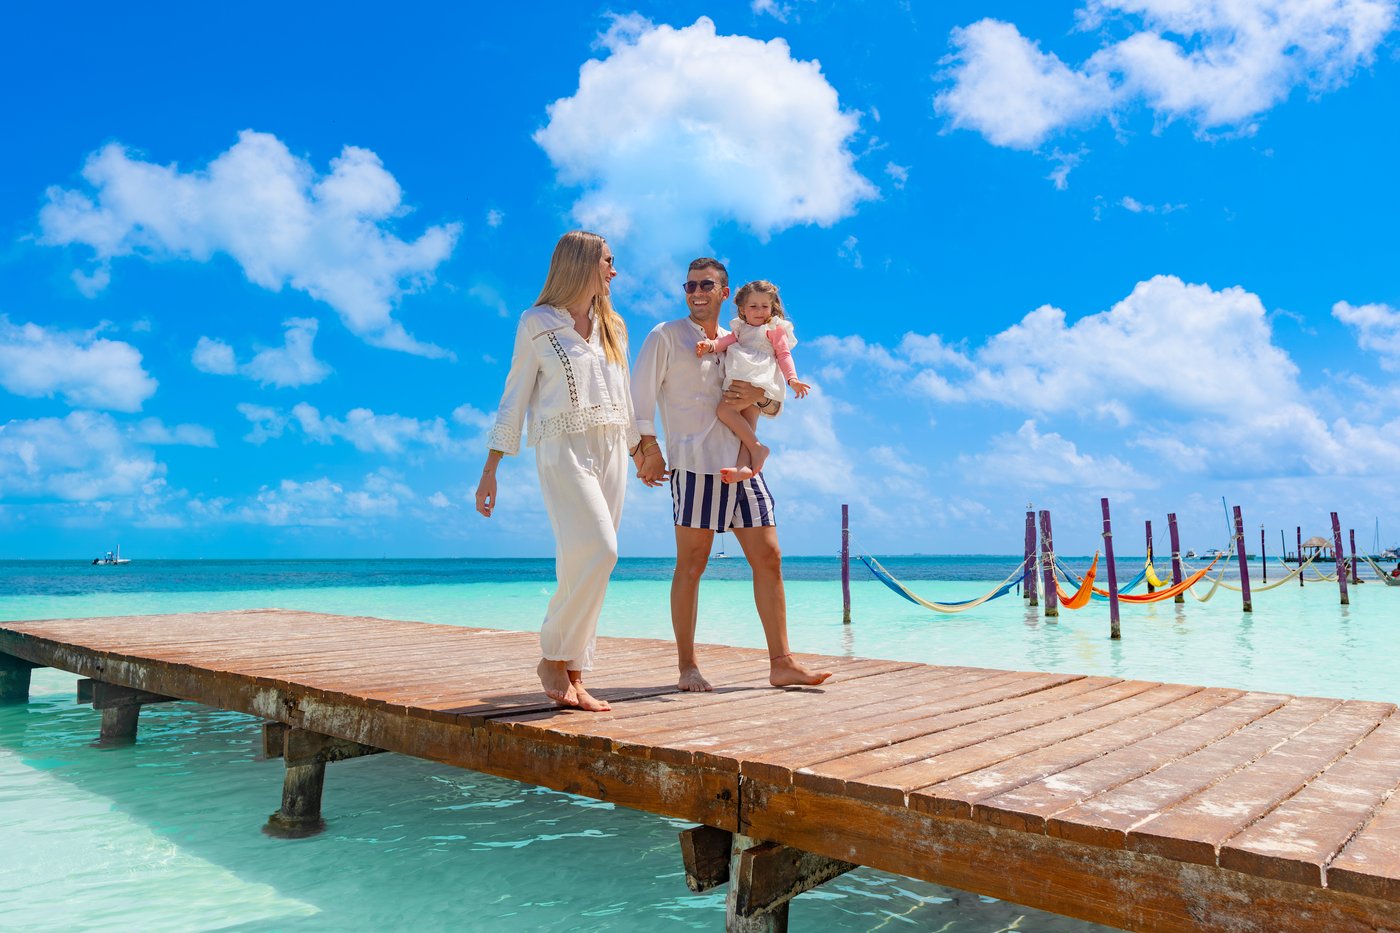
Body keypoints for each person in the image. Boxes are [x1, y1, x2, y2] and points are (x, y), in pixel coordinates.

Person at [631, 257, 831, 692]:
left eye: (706, 285)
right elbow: (638, 398)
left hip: (744, 466)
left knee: (770, 556)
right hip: (695, 466)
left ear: (725, 293)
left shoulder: (741, 337)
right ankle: (688, 667)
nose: (696, 292)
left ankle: (781, 663)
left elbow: (770, 401)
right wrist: (645, 449)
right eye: (689, 286)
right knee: (692, 564)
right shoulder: (665, 336)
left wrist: (763, 396)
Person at [476, 231, 648, 712]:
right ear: (583, 262)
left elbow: (625, 397)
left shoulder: (615, 325)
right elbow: (514, 397)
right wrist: (492, 468)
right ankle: (552, 654)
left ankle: (575, 672)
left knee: (585, 562)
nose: (615, 271)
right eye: (609, 261)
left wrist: (639, 451)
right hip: (562, 447)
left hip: (612, 446)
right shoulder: (536, 323)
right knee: (600, 549)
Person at [695, 279, 811, 483]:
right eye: (753, 306)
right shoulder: (740, 329)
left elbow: (784, 355)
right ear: (742, 309)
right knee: (747, 427)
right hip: (744, 377)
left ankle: (758, 448)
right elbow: (725, 342)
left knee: (725, 411)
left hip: (758, 379)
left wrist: (792, 379)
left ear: (772, 307)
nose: (760, 311)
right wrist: (710, 345)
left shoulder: (774, 328)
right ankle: (743, 466)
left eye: (765, 306)